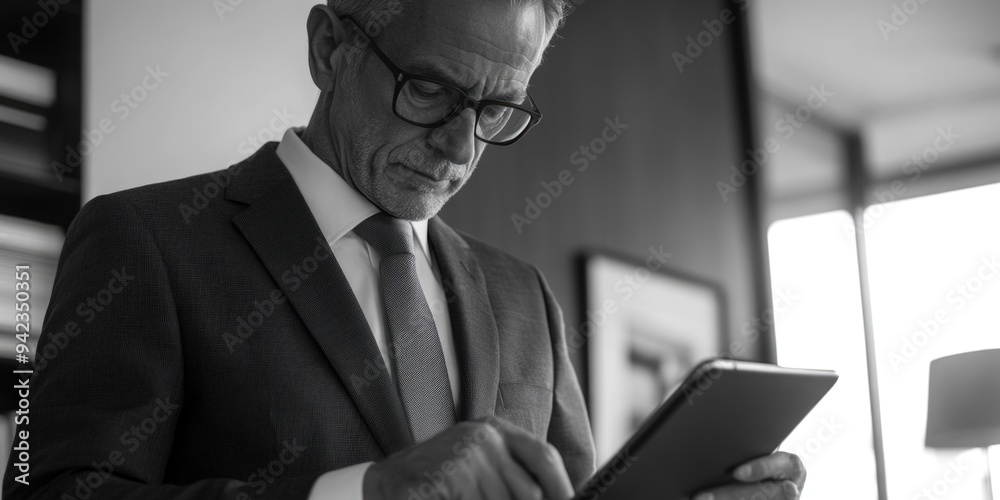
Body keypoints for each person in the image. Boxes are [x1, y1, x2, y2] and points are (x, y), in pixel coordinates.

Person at [4, 0, 808, 498]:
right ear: (328, 47)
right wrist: (363, 494)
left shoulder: (523, 296)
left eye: (497, 109)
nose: (460, 147)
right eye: (429, 90)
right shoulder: (146, 241)